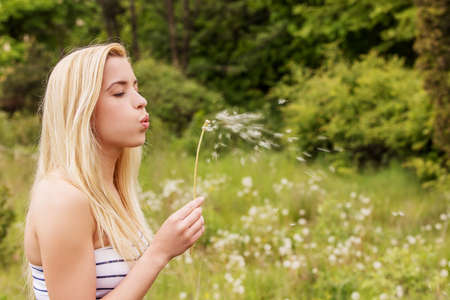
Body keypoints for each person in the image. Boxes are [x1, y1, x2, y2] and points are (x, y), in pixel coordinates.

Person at [23, 43, 205, 300]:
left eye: (136, 88)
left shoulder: (111, 188)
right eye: (119, 93)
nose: (141, 101)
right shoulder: (62, 198)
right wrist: (159, 252)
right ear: (82, 110)